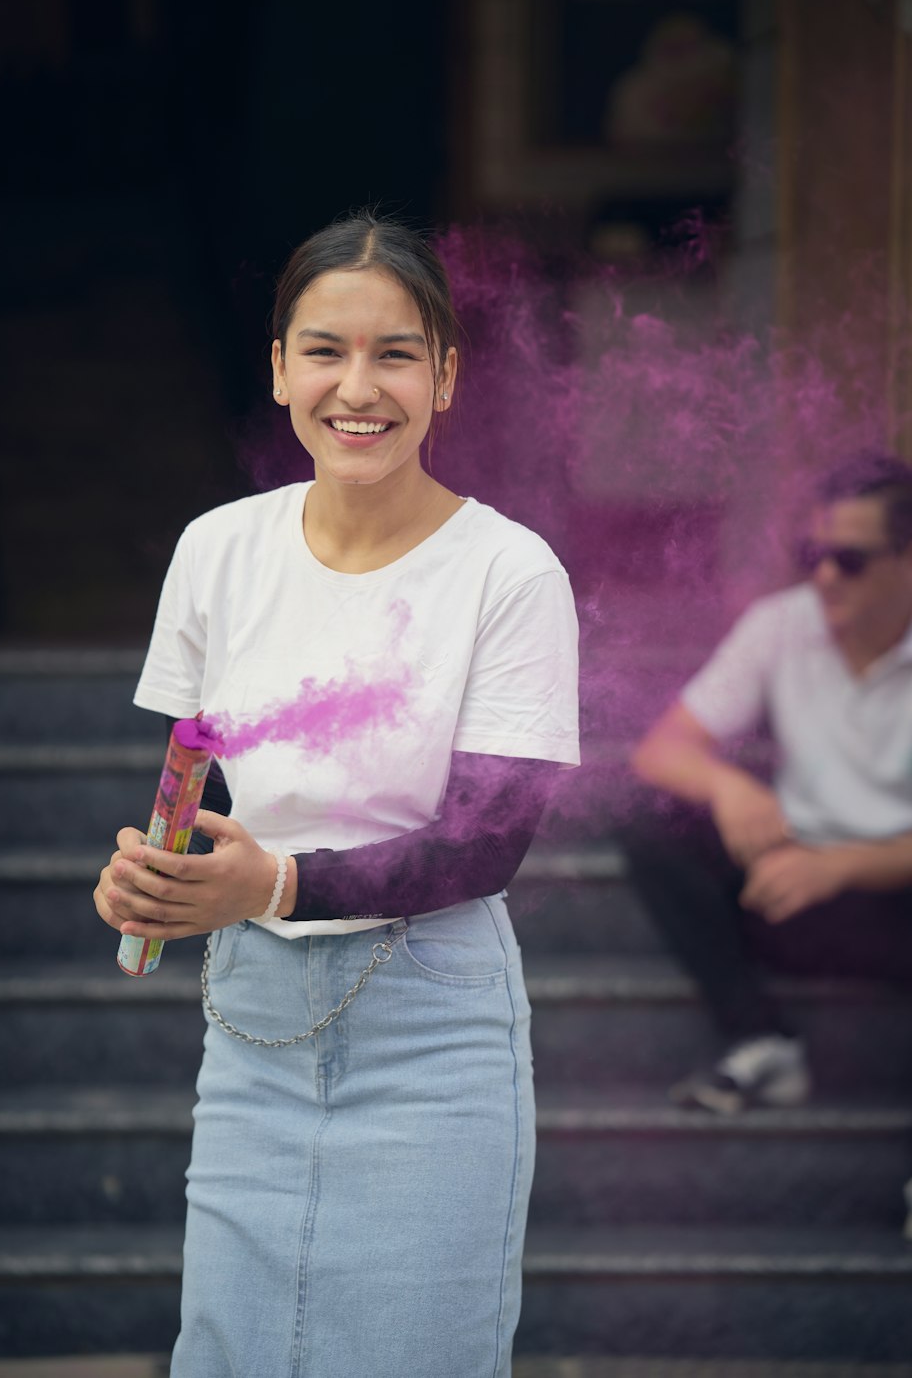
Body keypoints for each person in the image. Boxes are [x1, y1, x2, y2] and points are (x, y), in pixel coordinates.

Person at [93, 210, 580, 1378]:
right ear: (278, 367)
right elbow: (190, 767)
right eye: (324, 349)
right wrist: (151, 875)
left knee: (415, 1349)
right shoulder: (218, 548)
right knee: (229, 1348)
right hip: (253, 1012)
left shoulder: (509, 571)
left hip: (431, 1011)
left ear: (446, 375)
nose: (356, 387)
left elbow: (488, 842)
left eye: (396, 352)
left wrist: (275, 877)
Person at [621, 450, 912, 1113]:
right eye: (813, 554)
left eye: (852, 559)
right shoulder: (783, 623)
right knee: (653, 823)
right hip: (791, 892)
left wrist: (843, 866)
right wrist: (730, 787)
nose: (827, 576)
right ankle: (761, 1041)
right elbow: (661, 750)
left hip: (896, 896)